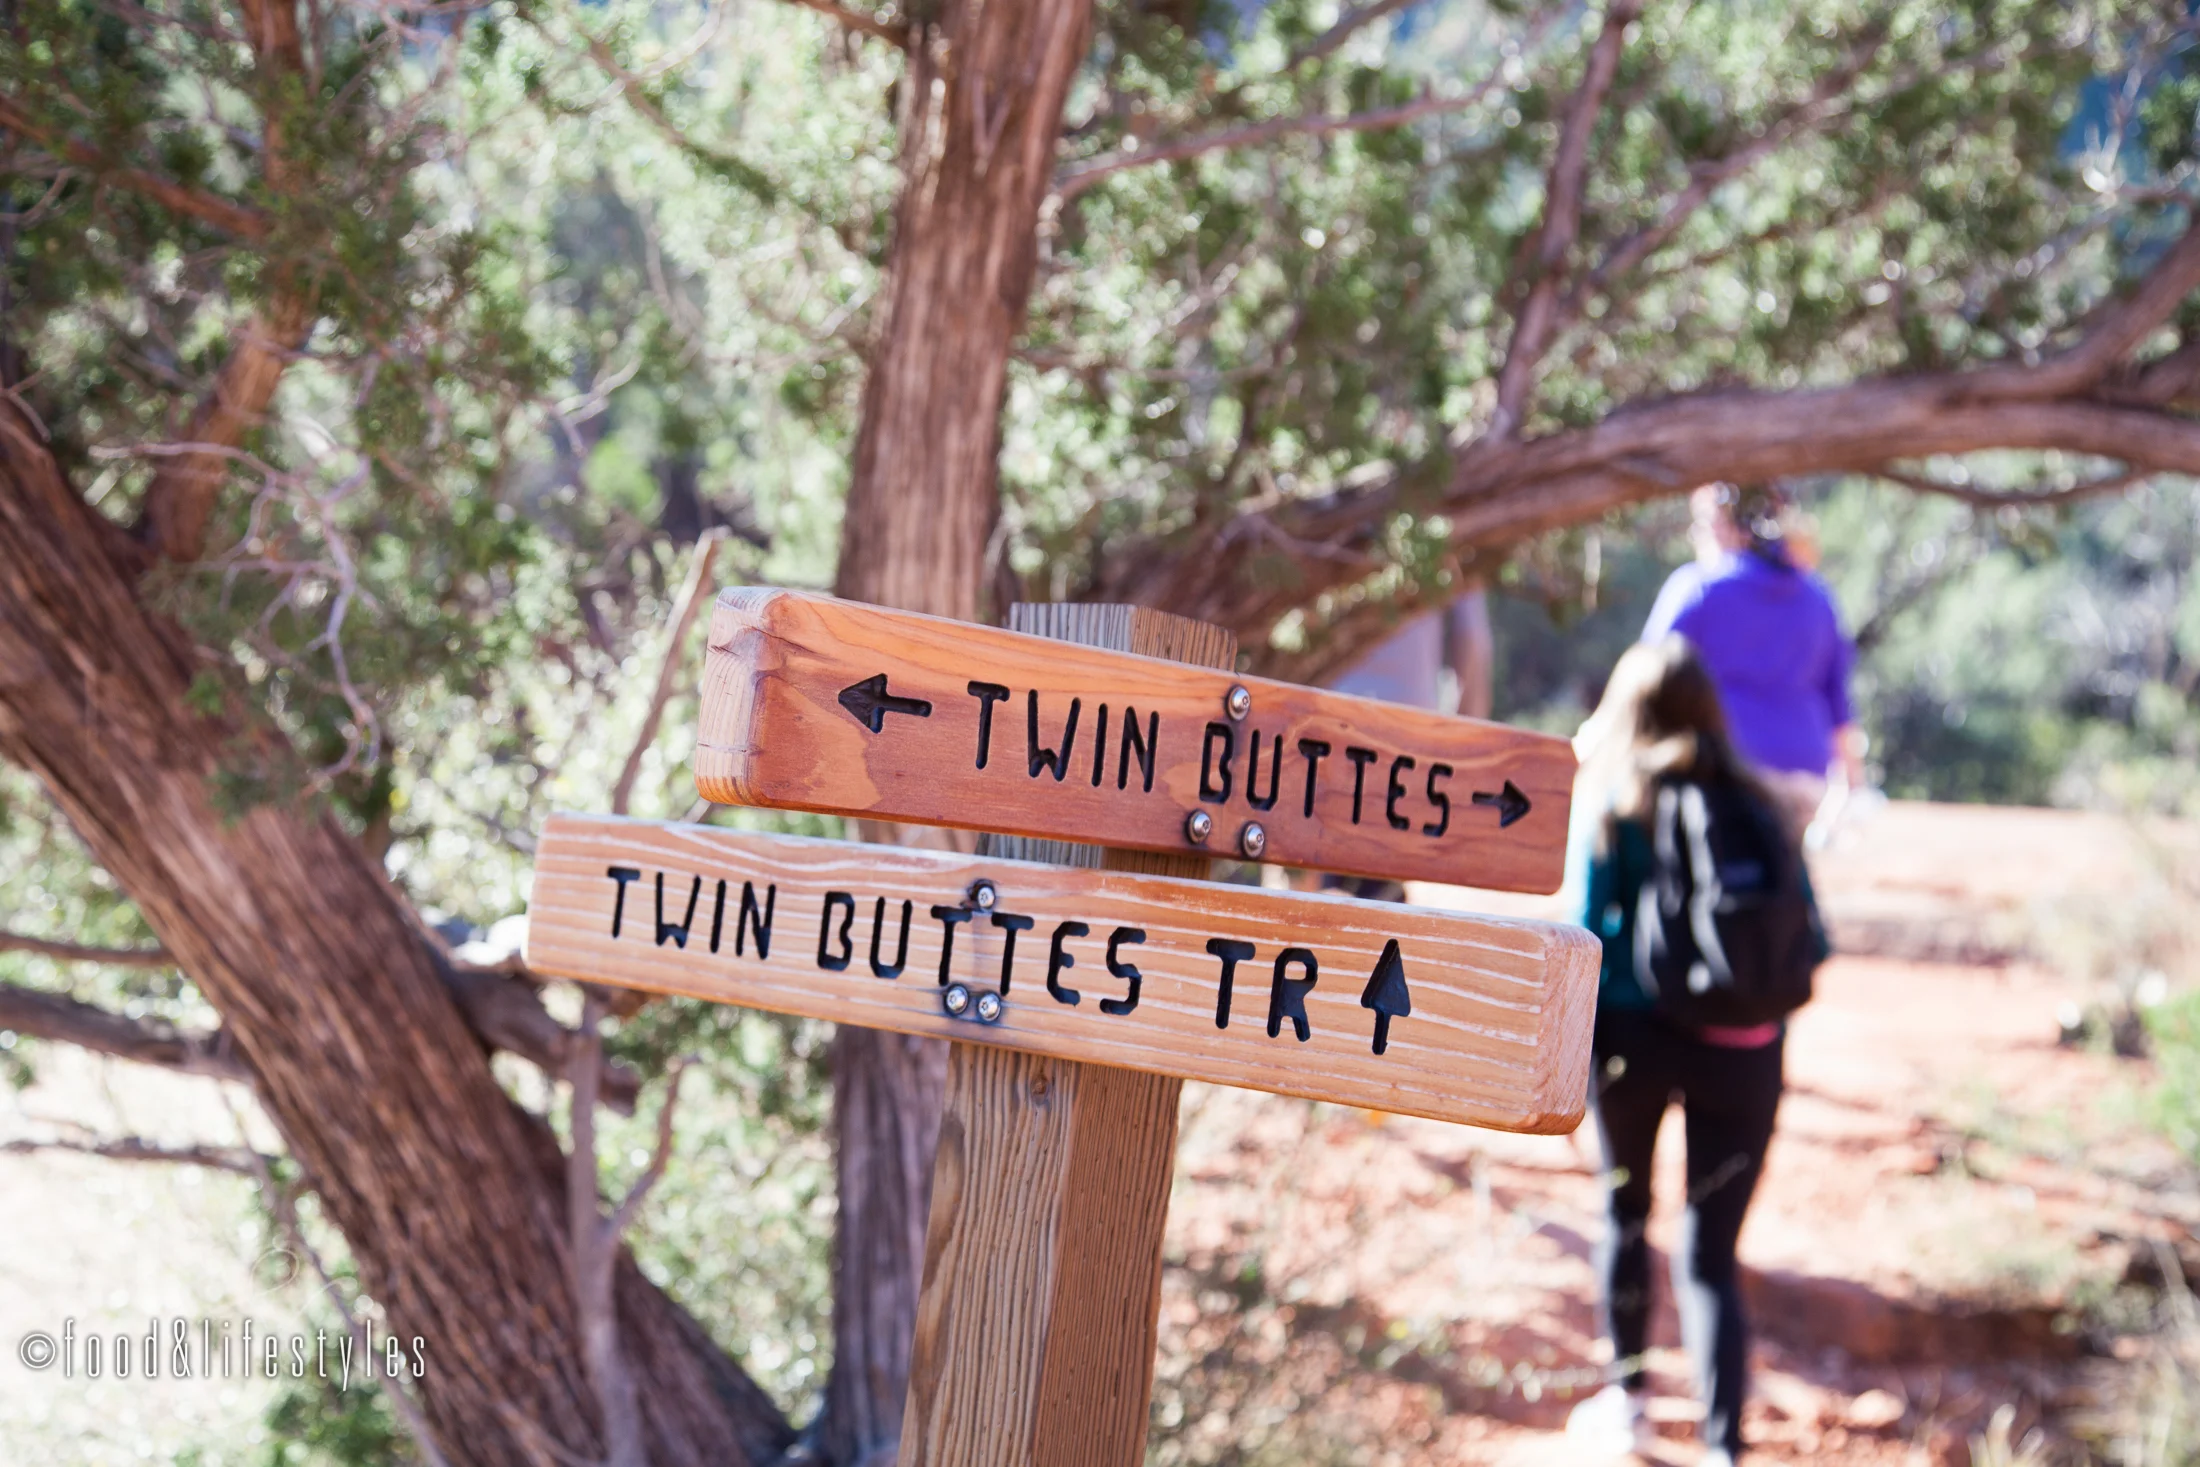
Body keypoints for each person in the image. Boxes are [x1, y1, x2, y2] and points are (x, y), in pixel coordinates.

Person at [1563, 636, 1796, 1467]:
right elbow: (1797, 939)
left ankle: (1629, 1406)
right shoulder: (1757, 802)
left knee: (1626, 1217)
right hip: (1743, 1048)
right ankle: (1724, 1445)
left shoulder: (1616, 801)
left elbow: (1582, 933)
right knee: (1711, 1254)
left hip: (1631, 1040)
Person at [1641, 483, 1863, 839]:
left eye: (1705, 523)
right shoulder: (1819, 597)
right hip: (1804, 776)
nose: (1698, 536)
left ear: (1733, 526)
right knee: (1781, 865)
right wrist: (1853, 780)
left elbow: (1645, 680)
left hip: (1725, 770)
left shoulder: (1698, 588)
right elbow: (1839, 702)